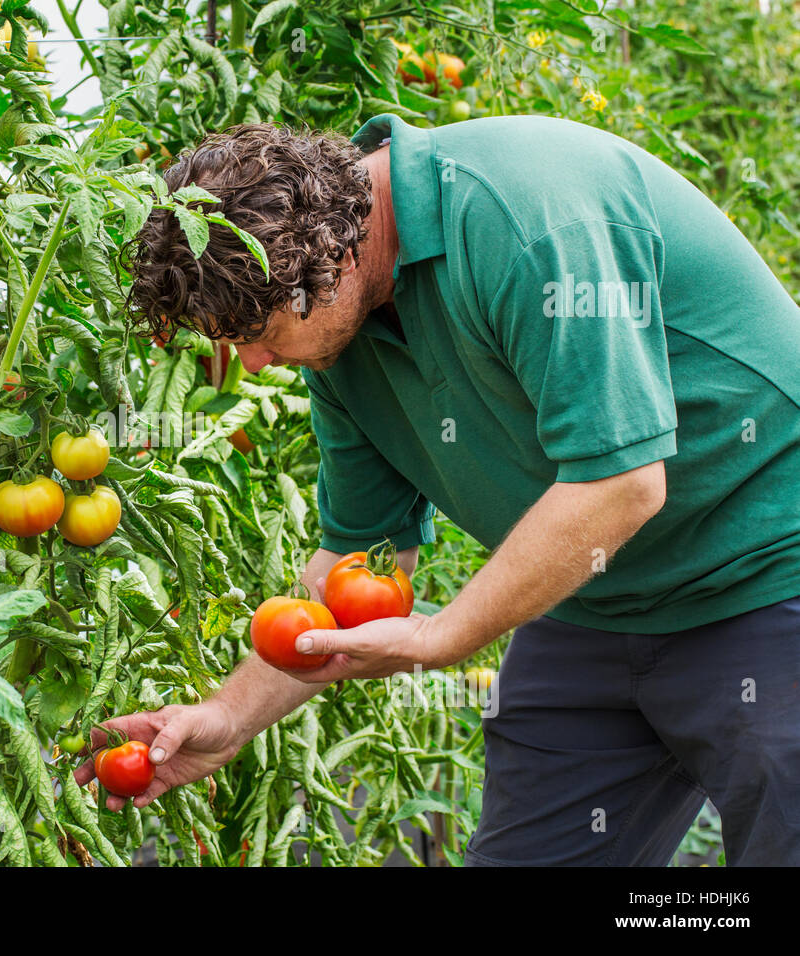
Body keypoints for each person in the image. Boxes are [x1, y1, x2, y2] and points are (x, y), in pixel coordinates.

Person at [81, 115, 800, 866]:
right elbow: (362, 557)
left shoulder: (528, 216)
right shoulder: (341, 336)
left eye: (258, 333)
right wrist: (228, 716)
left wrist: (443, 634)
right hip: (591, 601)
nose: (255, 364)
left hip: (771, 574)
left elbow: (621, 486)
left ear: (330, 256)